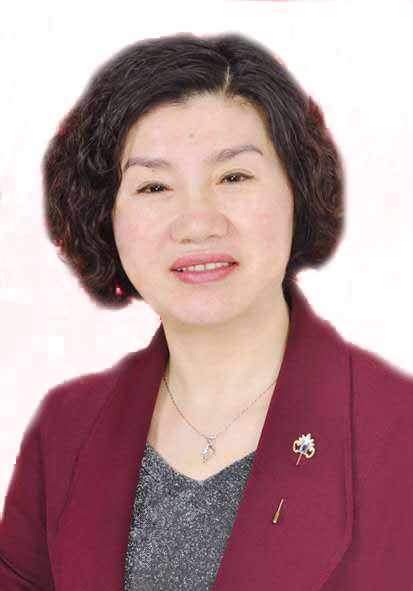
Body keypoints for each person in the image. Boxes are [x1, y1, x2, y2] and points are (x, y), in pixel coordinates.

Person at [0, 31, 412, 591]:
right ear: (106, 216)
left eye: (233, 177)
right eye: (154, 186)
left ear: (297, 191)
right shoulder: (66, 429)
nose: (197, 223)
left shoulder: (398, 432)